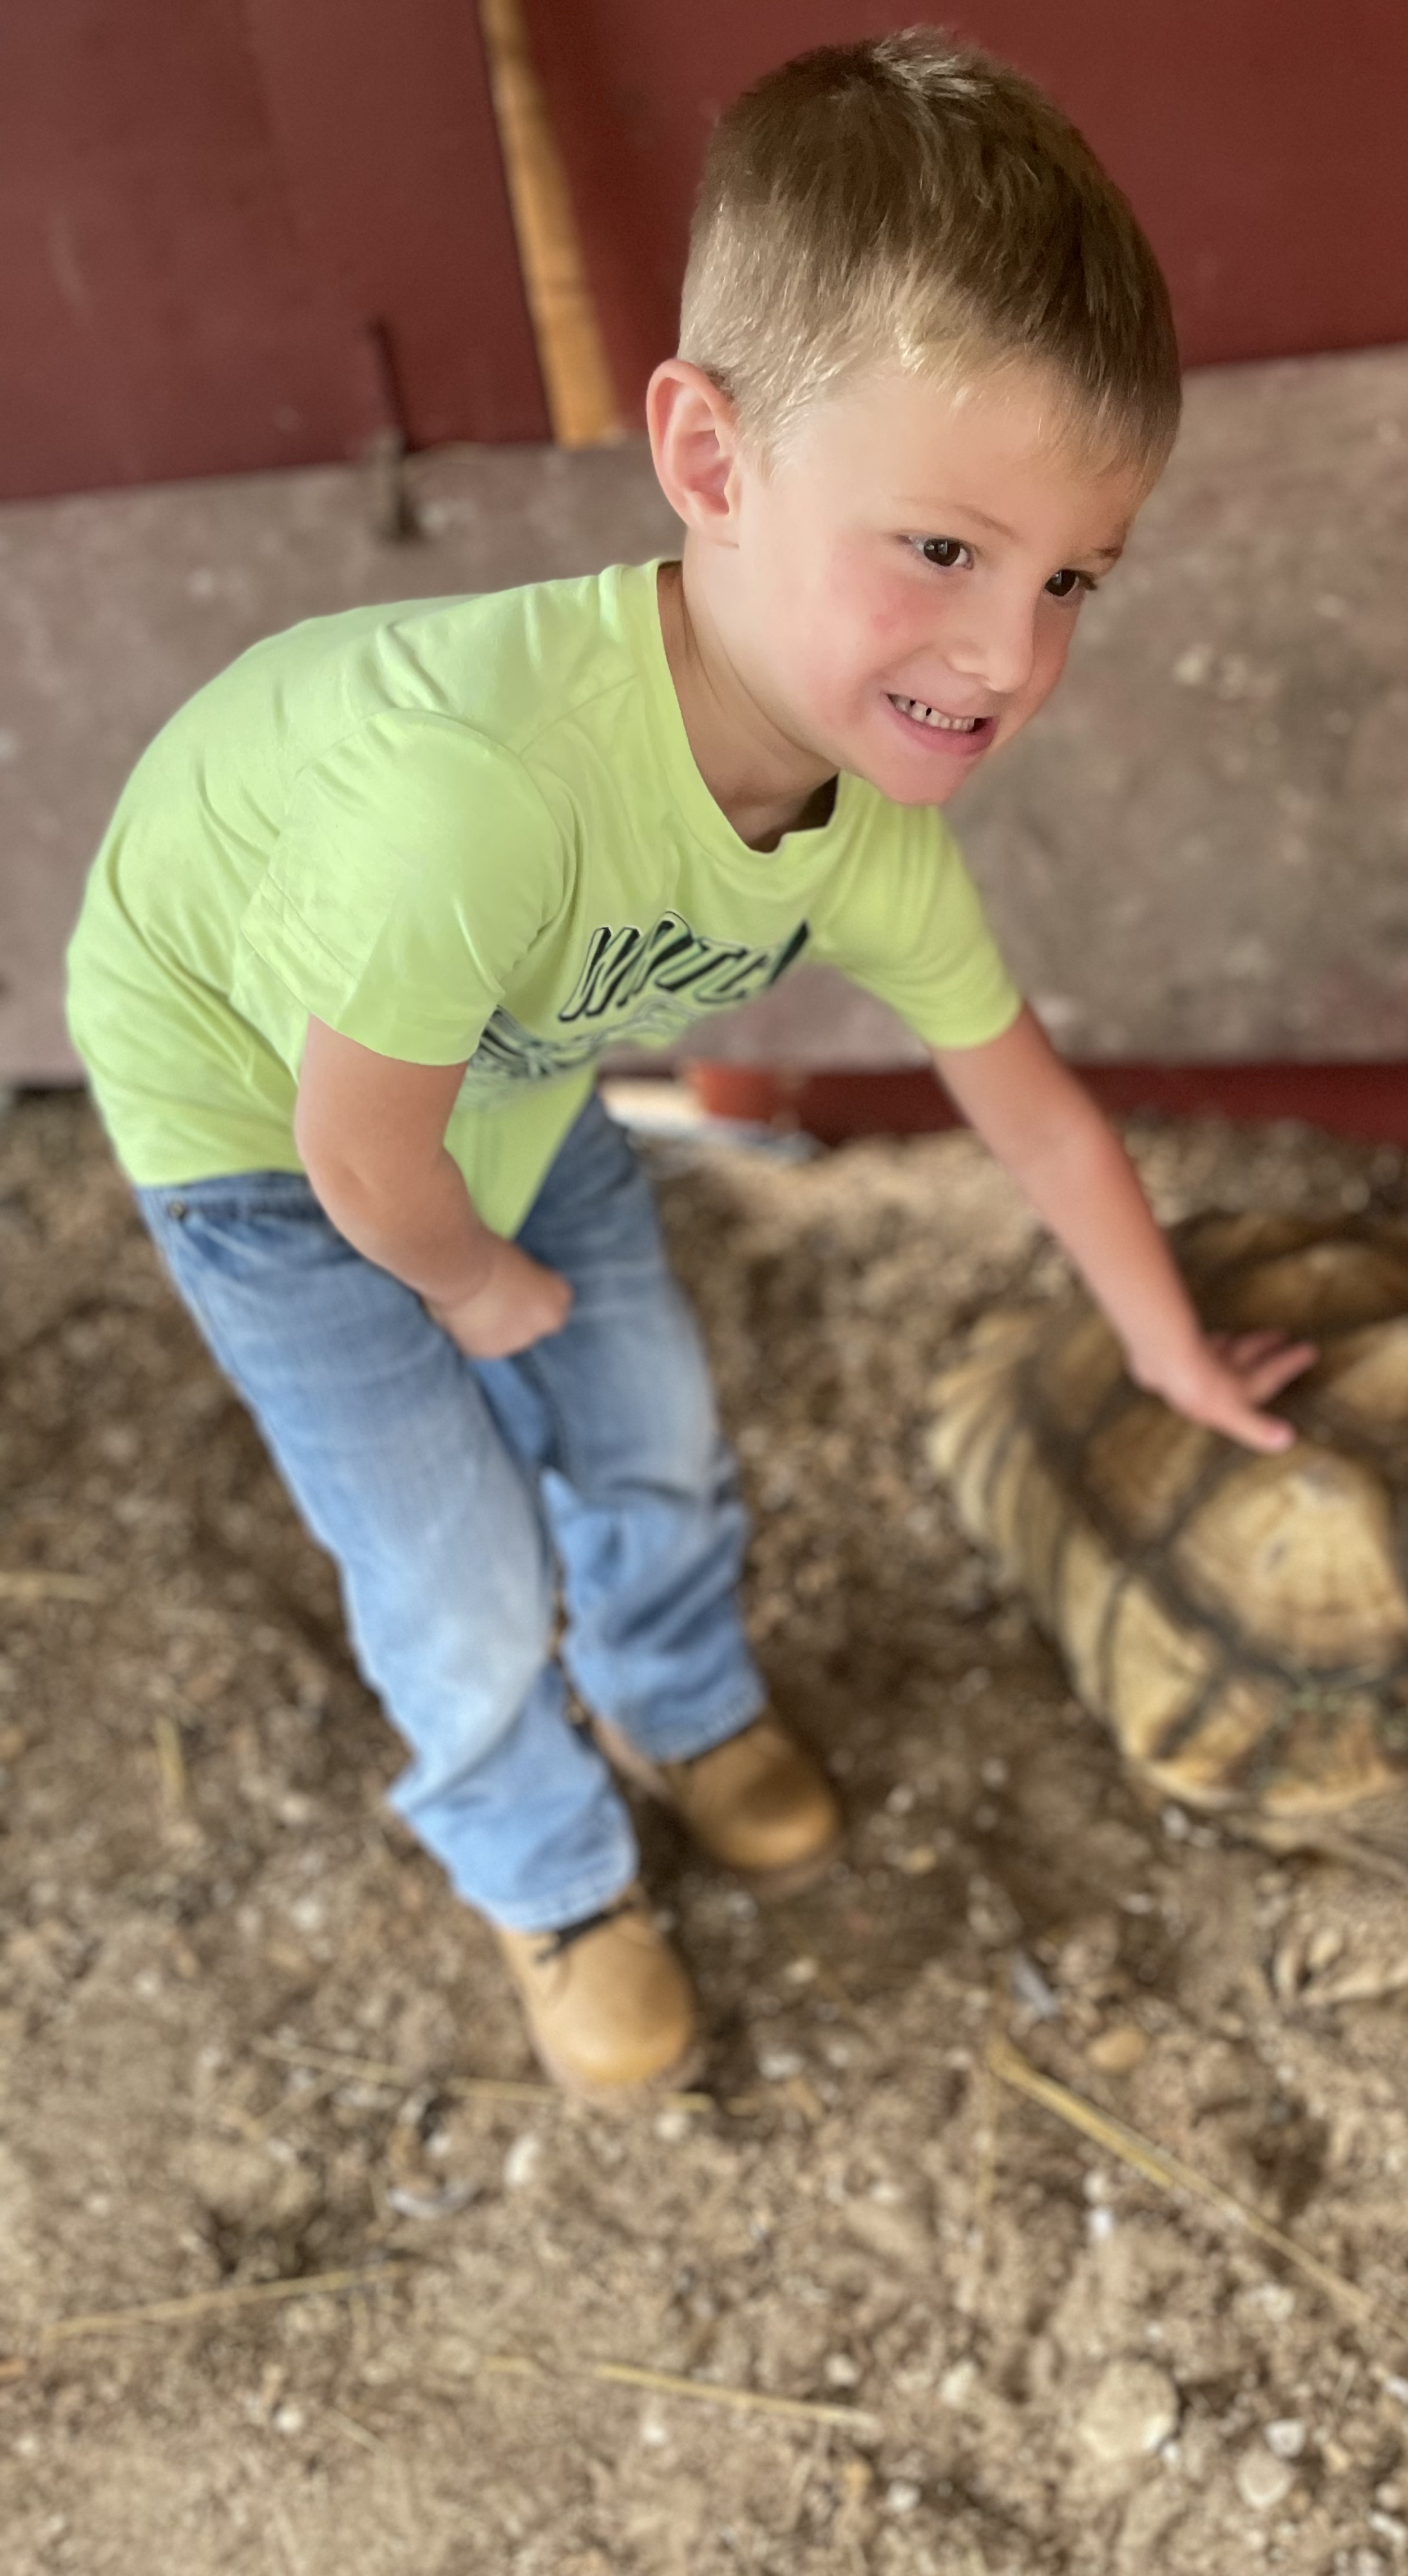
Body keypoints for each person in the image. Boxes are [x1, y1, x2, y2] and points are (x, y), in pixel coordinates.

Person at [65, 32, 1311, 2099]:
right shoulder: (480, 803)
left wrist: (1172, 1349)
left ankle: (675, 1693)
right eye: (942, 550)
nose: (1009, 659)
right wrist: (472, 1288)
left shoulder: (864, 812)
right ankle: (543, 1869)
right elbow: (361, 1147)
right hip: (277, 1120)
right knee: (452, 1557)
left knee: (647, 1417)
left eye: (1071, 578)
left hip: (500, 1073)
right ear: (713, 462)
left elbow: (1028, 1100)